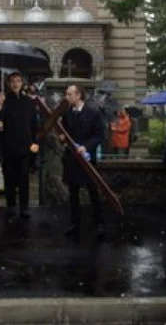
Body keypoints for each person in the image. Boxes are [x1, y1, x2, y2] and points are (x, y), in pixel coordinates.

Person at [61, 84, 105, 238]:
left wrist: (86, 147)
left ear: (78, 95)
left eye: (69, 94)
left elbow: (99, 135)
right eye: (67, 94)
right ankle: (74, 223)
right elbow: (65, 134)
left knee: (93, 192)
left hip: (87, 159)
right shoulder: (67, 113)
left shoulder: (93, 113)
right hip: (72, 159)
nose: (66, 97)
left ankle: (99, 224)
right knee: (73, 193)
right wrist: (63, 139)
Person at [0, 72, 39, 219]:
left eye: (18, 81)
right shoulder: (5, 101)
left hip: (25, 146)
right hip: (9, 146)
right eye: (12, 81)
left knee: (23, 178)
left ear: (22, 83)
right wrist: (0, 108)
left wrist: (35, 142)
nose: (15, 84)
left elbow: (34, 125)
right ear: (9, 84)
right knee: (9, 178)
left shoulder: (29, 102)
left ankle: (24, 207)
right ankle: (11, 206)